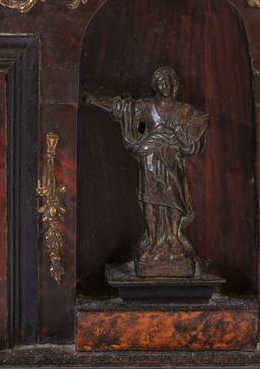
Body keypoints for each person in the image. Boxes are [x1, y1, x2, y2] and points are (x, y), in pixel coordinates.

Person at [86, 67, 209, 277]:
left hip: (171, 162)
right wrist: (97, 101)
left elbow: (200, 124)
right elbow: (123, 109)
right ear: (155, 87)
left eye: (167, 82)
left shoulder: (184, 111)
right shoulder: (149, 107)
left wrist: (186, 138)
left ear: (173, 84)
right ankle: (152, 240)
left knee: (173, 200)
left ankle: (174, 238)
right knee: (150, 202)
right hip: (150, 161)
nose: (164, 86)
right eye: (160, 83)